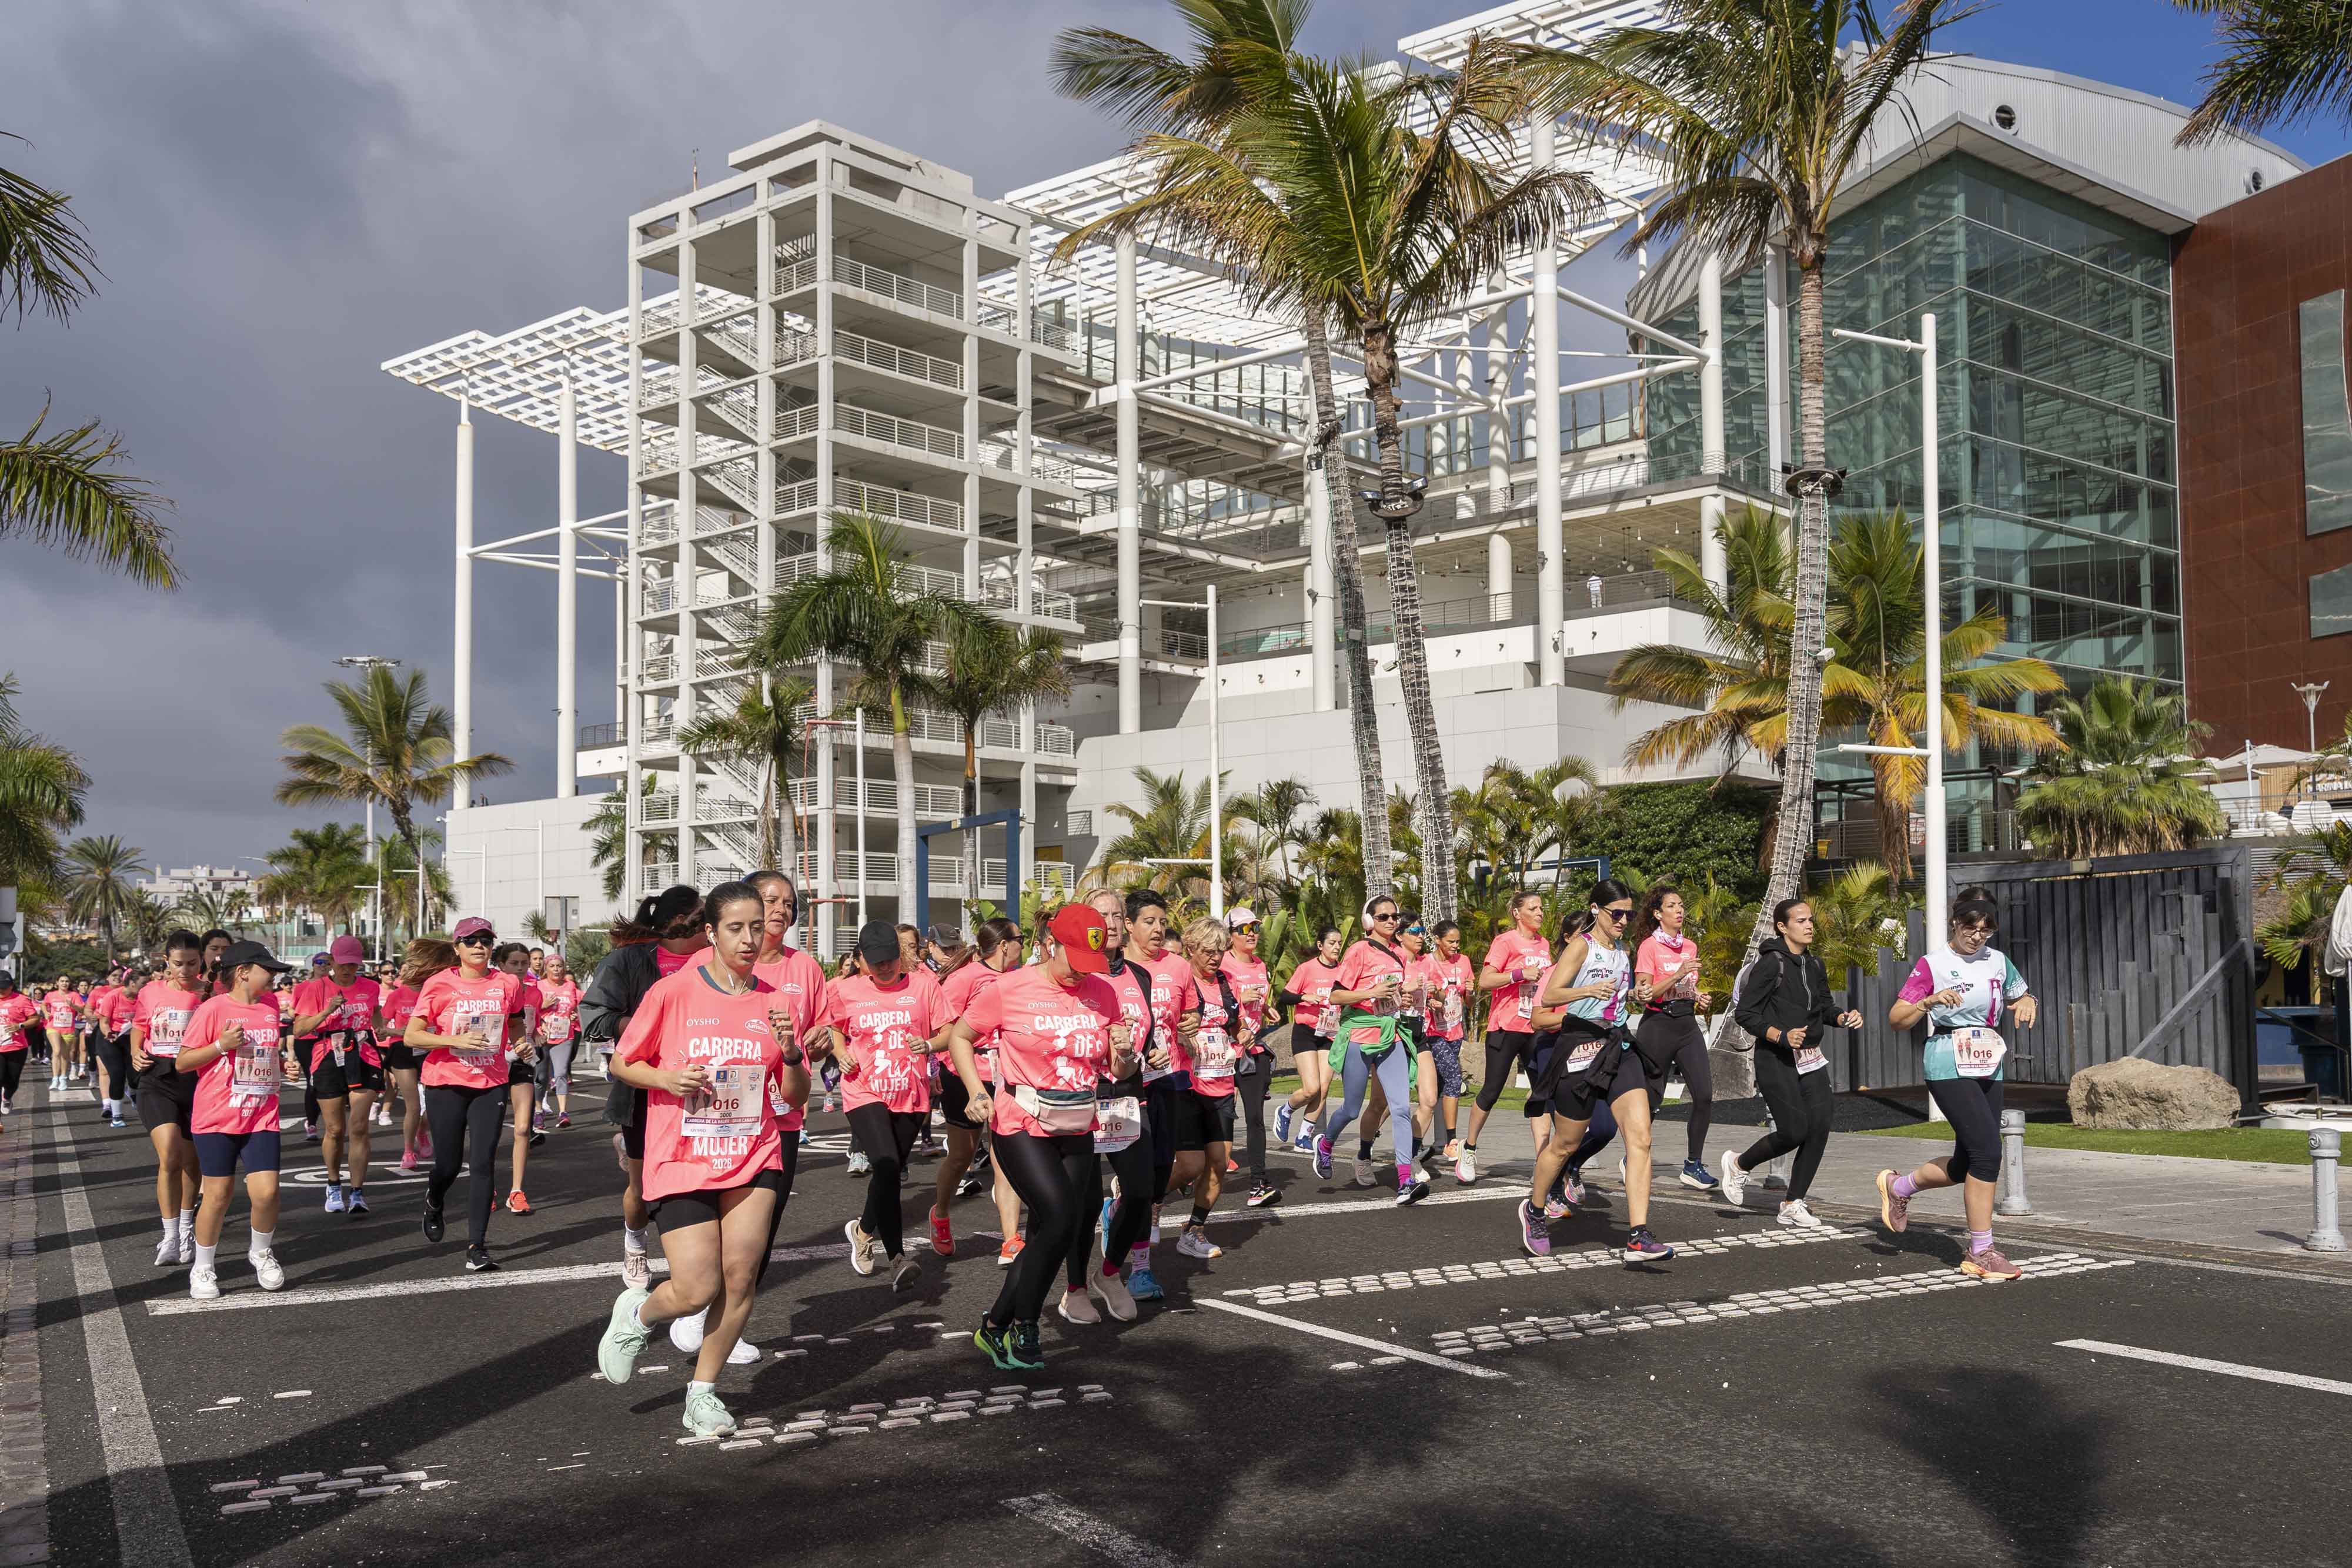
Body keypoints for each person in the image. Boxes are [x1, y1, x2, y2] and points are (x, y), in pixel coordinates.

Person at [593, 881, 810, 1436]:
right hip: (685, 1156)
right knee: (696, 1287)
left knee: (740, 1278)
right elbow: (623, 1062)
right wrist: (666, 1077)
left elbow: (795, 1094)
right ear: (710, 932)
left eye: (757, 926)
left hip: (754, 1150)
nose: (748, 938)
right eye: (736, 927)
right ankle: (636, 1316)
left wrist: (789, 1053)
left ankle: (704, 1392)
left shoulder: (774, 1001)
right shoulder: (673, 991)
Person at [944, 901, 1138, 1370]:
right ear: (1052, 944)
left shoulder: (1104, 993)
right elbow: (960, 1037)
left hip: (1076, 1120)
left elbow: (1117, 1067)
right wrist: (976, 1090)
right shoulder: (1010, 987)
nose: (1082, 974)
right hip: (1020, 1119)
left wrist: (1127, 1054)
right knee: (1059, 1215)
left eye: (1092, 964)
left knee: (1054, 1231)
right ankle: (1022, 1323)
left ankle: (999, 1325)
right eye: (1075, 960)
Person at [1876, 898, 2038, 1281]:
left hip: (1989, 1062)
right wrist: (1927, 1001)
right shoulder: (1933, 964)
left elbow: (2019, 993)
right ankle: (1981, 1251)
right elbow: (1897, 1018)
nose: (1977, 937)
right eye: (1970, 928)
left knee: (1966, 1164)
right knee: (1988, 1150)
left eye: (1986, 930)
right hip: (1948, 1061)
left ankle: (1897, 1186)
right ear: (1954, 924)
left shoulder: (1997, 960)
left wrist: (2028, 1001)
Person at [1521, 879, 1676, 1262]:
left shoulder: (1624, 950)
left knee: (1640, 1137)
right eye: (1616, 913)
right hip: (1577, 1046)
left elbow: (1620, 998)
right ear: (1596, 910)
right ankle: (1535, 1210)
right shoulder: (1580, 947)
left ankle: (1638, 1235)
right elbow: (1551, 995)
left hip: (1618, 1045)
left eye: (1629, 913)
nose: (1624, 920)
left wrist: (1638, 996)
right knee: (1565, 1144)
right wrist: (1586, 992)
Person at [580, 887, 710, 1289]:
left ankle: (696, 1272)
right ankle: (635, 1239)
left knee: (700, 1183)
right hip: (643, 1090)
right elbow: (593, 1018)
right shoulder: (630, 961)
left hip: (704, 1090)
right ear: (682, 922)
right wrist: (648, 1025)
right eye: (705, 916)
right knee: (641, 1191)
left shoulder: (717, 960)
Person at [818, 920, 948, 1291]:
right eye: (876, 962)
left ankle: (862, 1230)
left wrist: (931, 1045)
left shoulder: (925, 986)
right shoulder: (845, 989)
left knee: (891, 1172)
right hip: (864, 1089)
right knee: (887, 1165)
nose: (885, 968)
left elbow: (948, 1030)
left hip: (910, 1091)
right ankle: (897, 1258)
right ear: (861, 960)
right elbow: (836, 1028)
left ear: (901, 955)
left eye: (891, 960)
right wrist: (841, 1054)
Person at [1721, 898, 1866, 1228]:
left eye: (1811, 919)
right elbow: (1745, 1014)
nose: (1810, 925)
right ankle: (1739, 1164)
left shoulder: (1815, 965)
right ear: (1783, 927)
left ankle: (1792, 1202)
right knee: (1793, 1130)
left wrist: (1842, 1017)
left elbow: (1824, 1007)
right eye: (1801, 921)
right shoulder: (1772, 964)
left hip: (1811, 1059)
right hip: (1775, 1058)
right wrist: (1779, 1035)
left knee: (1818, 1130)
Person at [405, 917, 533, 1272]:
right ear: (457, 947)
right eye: (472, 940)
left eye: (486, 940)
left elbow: (516, 1021)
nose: (480, 946)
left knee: (482, 1163)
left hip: (490, 1082)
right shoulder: (439, 984)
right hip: (445, 1080)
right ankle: (434, 1199)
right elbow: (412, 1037)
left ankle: (477, 1246)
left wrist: (520, 1043)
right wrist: (454, 1040)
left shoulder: (507, 983)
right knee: (447, 1164)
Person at [176, 940, 297, 1299]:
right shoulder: (213, 1009)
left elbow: (263, 1055)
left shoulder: (271, 1009)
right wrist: (220, 1046)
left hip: (262, 1113)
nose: (274, 977)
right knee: (217, 1196)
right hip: (216, 1116)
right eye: (268, 970)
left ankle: (261, 1252)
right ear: (243, 972)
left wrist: (283, 1066)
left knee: (268, 1192)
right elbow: (183, 1062)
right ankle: (203, 1267)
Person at [1311, 897, 1428, 1205]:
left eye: (1394, 917)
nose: (1391, 921)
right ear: (1369, 921)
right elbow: (1336, 996)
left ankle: (1405, 1181)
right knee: (1351, 1108)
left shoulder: (1399, 955)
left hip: (1391, 1037)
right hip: (1360, 1038)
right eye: (1383, 917)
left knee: (1401, 1107)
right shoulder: (1358, 951)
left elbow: (1391, 997)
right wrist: (1371, 992)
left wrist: (1400, 1000)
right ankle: (1326, 1144)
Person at [1073, 888, 1157, 1308]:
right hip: (1082, 1097)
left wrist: (1153, 1049)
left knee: (1142, 1190)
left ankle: (1108, 1272)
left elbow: (1148, 1032)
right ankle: (1075, 1289)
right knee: (1084, 1203)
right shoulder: (1077, 977)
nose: (1109, 921)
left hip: (1127, 1094)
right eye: (1100, 914)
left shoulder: (1140, 976)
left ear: (1125, 923)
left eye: (1116, 914)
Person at [1114, 890, 1200, 1291]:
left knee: (1162, 1169)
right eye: (1149, 921)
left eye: (1162, 922)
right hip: (1124, 1086)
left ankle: (1123, 1222)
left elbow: (1192, 1011)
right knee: (1139, 1180)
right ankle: (1138, 1267)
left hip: (1168, 1077)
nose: (1158, 929)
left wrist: (1190, 1025)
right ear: (1128, 924)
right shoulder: (1113, 970)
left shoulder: (1178, 966)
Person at [930, 917, 1028, 1263]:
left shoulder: (1021, 978)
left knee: (1005, 1159)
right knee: (961, 1157)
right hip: (966, 1076)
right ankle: (940, 1213)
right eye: (1020, 938)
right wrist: (948, 1071)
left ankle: (1011, 1239)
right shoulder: (964, 978)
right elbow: (947, 1031)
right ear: (1004, 945)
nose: (1023, 944)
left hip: (1009, 1074)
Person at [1167, 916, 1248, 1256]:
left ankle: (1194, 1229)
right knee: (1190, 1165)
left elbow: (1237, 1025)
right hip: (1189, 1085)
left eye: (1220, 951)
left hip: (1222, 1084)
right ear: (1191, 948)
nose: (1216, 958)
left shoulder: (1228, 984)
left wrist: (1242, 1036)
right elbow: (1164, 1024)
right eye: (1208, 951)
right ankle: (1145, 1202)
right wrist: (1183, 1037)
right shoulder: (1181, 981)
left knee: (1219, 1162)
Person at [1461, 890, 1553, 1184]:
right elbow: (1485, 980)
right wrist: (1519, 974)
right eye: (1534, 908)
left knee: (1543, 1091)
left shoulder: (1545, 944)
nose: (1540, 913)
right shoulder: (1505, 941)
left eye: (1541, 908)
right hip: (1506, 1026)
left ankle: (1544, 1159)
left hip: (1535, 1027)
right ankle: (1469, 1148)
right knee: (1493, 1090)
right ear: (1518, 913)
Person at [292, 936, 382, 1217]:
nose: (348, 970)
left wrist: (388, 1031)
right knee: (335, 1129)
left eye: (354, 964)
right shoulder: (316, 988)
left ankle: (357, 1192)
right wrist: (328, 1010)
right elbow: (298, 1030)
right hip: (328, 1054)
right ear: (331, 961)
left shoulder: (371, 987)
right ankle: (333, 1184)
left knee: (358, 1127)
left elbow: (376, 1016)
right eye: (343, 964)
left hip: (364, 1054)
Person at [129, 934, 205, 1264]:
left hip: (199, 1080)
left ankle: (187, 1227)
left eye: (192, 963)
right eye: (178, 964)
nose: (185, 970)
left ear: (202, 961)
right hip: (157, 1077)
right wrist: (135, 1051)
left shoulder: (210, 995)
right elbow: (139, 1025)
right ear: (166, 962)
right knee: (170, 1154)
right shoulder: (150, 992)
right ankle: (170, 1236)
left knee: (192, 1162)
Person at [1218, 907, 1279, 1207]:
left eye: (1254, 926)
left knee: (1255, 1118)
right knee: (1220, 1119)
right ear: (1230, 936)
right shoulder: (1223, 965)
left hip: (1253, 1051)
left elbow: (1258, 1000)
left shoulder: (1260, 965)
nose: (1251, 933)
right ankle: (1194, 1171)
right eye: (1243, 929)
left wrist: (1266, 1009)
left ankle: (1258, 1182)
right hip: (1222, 1052)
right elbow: (1215, 1002)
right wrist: (1239, 1000)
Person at [1273, 928, 1343, 1155]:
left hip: (1330, 1033)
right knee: (1311, 1088)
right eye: (1331, 942)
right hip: (1305, 1032)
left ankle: (1304, 1137)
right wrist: (1305, 997)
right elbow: (1283, 997)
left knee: (1323, 1089)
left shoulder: (1343, 971)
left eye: (1339, 943)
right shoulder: (1307, 969)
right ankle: (1286, 1109)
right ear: (1320, 945)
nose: (1336, 947)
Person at [493, 942, 546, 1213]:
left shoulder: (535, 993)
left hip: (523, 1060)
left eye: (524, 963)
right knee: (489, 1130)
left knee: (523, 1128)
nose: (521, 969)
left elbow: (533, 1024)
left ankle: (516, 1191)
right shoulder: (493, 991)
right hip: (493, 1062)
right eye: (514, 964)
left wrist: (537, 1036)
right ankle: (486, 1186)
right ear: (501, 966)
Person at [1422, 921, 1475, 1166]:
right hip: (1434, 1033)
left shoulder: (1463, 962)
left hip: (1455, 1031)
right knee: (1454, 1078)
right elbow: (1421, 996)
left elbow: (1469, 1002)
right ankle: (1452, 1142)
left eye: (1458, 941)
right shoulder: (1427, 963)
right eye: (1450, 941)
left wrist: (1472, 993)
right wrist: (1433, 999)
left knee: (1440, 1087)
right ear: (1437, 940)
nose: (1455, 946)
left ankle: (1426, 1143)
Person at [380, 965, 429, 1171]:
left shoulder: (431, 992)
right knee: (414, 1105)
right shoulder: (397, 995)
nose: (412, 973)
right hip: (402, 1048)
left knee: (435, 1103)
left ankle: (422, 1134)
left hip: (429, 1048)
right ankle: (409, 1151)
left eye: (416, 969)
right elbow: (381, 1029)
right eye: (407, 970)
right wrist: (399, 1031)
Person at [536, 952, 582, 1129]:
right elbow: (530, 1009)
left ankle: (563, 1113)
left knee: (561, 1074)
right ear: (546, 969)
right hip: (543, 1036)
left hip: (564, 1036)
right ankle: (538, 1111)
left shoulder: (570, 986)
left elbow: (576, 1006)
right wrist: (543, 1005)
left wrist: (574, 1014)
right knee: (541, 1077)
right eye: (553, 966)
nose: (556, 969)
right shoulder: (539, 986)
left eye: (559, 966)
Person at [89, 973, 134, 1126]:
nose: (117, 978)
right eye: (114, 975)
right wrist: (108, 1033)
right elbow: (102, 1020)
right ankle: (115, 1114)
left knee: (135, 1075)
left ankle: (133, 1092)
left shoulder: (143, 997)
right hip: (110, 1037)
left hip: (131, 1038)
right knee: (115, 1074)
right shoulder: (109, 995)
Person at [0, 971, 34, 1116]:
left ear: (11, 986)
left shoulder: (22, 1000)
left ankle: (7, 1097)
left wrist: (19, 1026)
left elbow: (35, 1019)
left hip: (17, 1048)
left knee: (12, 1082)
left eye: (4, 987)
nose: (1, 990)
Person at [43, 977, 83, 1092]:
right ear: (57, 983)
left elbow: (82, 1010)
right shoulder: (51, 995)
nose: (64, 983)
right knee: (57, 1051)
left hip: (68, 1028)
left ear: (69, 983)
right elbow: (44, 1005)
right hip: (53, 1027)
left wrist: (73, 1006)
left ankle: (63, 1078)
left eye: (66, 981)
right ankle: (55, 1079)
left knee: (65, 1055)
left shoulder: (74, 995)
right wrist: (46, 1013)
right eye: (62, 981)